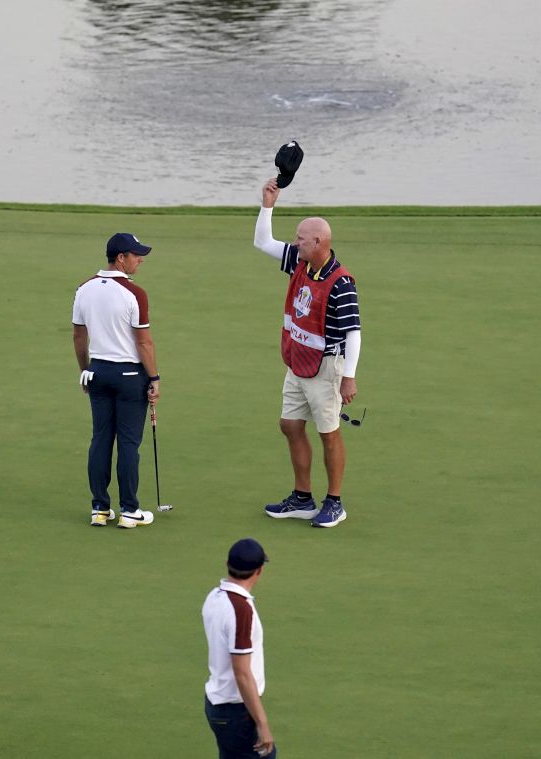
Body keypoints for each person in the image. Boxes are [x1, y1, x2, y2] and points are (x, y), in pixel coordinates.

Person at [254, 179, 362, 528]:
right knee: (289, 424)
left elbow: (353, 332)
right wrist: (268, 204)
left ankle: (334, 502)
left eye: (301, 238)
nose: (295, 241)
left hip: (327, 368)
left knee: (329, 432)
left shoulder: (341, 282)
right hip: (298, 363)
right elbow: (262, 242)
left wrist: (349, 376)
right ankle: (302, 498)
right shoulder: (300, 262)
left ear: (319, 242)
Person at [71, 233, 162, 528]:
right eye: (136, 255)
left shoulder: (84, 288)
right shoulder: (135, 293)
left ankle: (99, 508)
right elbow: (144, 343)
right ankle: (129, 510)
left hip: (98, 372)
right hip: (128, 376)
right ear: (120, 258)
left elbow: (78, 336)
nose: (141, 259)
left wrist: (85, 370)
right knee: (128, 443)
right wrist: (154, 378)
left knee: (100, 439)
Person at [202, 538, 276, 759]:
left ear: (227, 564)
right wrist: (262, 724)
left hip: (218, 705)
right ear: (259, 571)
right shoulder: (241, 611)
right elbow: (242, 672)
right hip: (236, 711)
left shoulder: (214, 597)